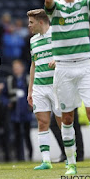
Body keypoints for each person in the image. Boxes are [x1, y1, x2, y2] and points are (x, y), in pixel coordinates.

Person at [44, 0, 90, 175]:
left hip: (86, 66)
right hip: (63, 68)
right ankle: (71, 162)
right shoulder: (55, 8)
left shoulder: (85, 6)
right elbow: (47, 1)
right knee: (66, 118)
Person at [26, 9, 62, 169]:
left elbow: (69, 53)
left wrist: (58, 60)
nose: (29, 25)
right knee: (42, 122)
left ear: (41, 22)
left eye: (31, 22)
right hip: (40, 86)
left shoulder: (57, 33)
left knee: (64, 122)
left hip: (58, 85)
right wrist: (30, 90)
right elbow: (33, 65)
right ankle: (46, 160)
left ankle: (70, 155)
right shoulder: (33, 40)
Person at [5, 59, 32, 161]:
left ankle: (30, 154)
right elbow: (4, 95)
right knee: (16, 135)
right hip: (14, 113)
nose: (16, 70)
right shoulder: (10, 80)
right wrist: (7, 103)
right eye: (14, 68)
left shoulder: (28, 79)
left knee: (27, 134)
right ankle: (19, 156)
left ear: (22, 68)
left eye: (18, 67)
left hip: (26, 112)